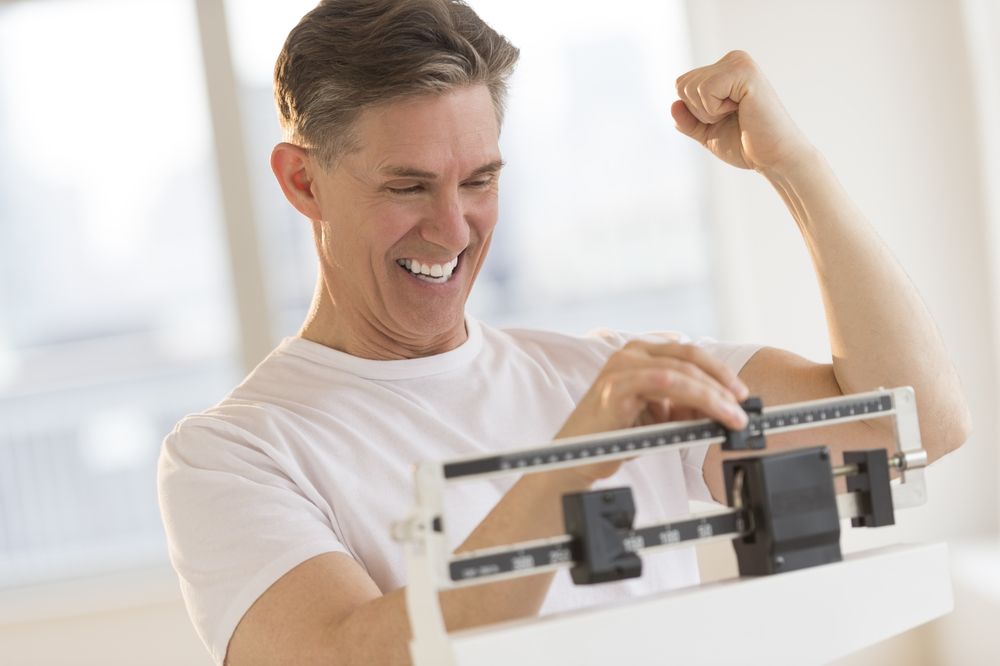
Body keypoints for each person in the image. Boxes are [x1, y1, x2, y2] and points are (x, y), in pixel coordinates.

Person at [157, 1, 971, 664]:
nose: (452, 229)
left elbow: (911, 426)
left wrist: (793, 165)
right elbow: (343, 659)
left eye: (479, 181)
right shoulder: (234, 454)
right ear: (303, 181)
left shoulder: (610, 376)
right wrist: (580, 456)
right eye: (408, 186)